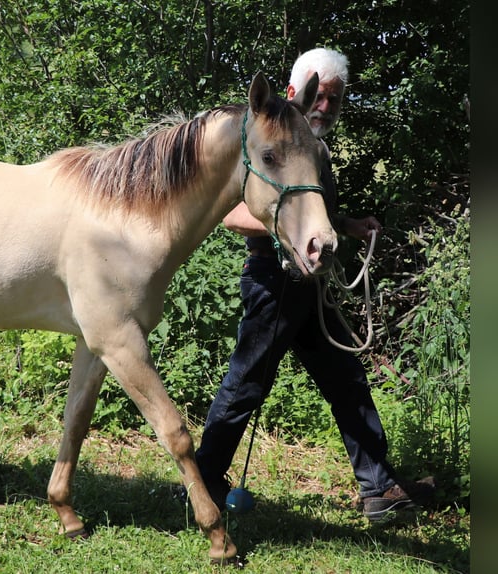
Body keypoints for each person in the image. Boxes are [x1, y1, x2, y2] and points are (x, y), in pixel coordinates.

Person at [193, 47, 434, 522]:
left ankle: (379, 488)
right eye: (319, 96)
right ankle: (200, 486)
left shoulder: (313, 150)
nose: (325, 107)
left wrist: (347, 225)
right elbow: (232, 215)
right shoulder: (268, 145)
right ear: (294, 93)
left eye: (335, 99)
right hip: (273, 281)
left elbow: (313, 217)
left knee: (347, 380)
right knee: (245, 385)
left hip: (312, 286)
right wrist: (298, 234)